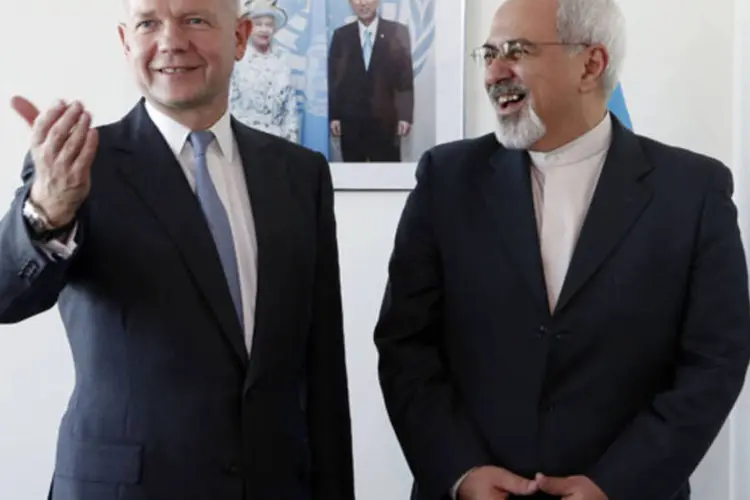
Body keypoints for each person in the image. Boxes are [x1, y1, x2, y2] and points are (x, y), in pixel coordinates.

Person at [373, 0, 750, 499]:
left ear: (590, 64)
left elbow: (715, 361)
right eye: (488, 54)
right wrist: (461, 473)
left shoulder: (693, 191)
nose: (495, 73)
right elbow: (406, 345)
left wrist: (615, 486)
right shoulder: (446, 180)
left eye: (516, 51)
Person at [0, 0, 355, 498]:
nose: (170, 41)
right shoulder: (77, 164)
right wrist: (45, 213)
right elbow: (5, 298)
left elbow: (322, 369)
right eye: (149, 22)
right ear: (126, 42)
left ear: (240, 38)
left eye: (195, 19)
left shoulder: (300, 174)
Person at [328, 0, 414, 162]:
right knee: (352, 177)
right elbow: (335, 79)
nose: (362, 4)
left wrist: (405, 115)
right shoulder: (341, 36)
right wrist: (335, 116)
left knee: (387, 176)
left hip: (387, 120)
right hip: (351, 120)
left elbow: (405, 77)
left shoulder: (397, 32)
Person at [229, 0, 299, 143]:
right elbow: (230, 105)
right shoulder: (238, 61)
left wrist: (292, 143)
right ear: (248, 28)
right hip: (245, 139)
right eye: (258, 24)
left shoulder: (282, 62)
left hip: (277, 141)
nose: (264, 29)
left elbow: (290, 108)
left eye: (268, 25)